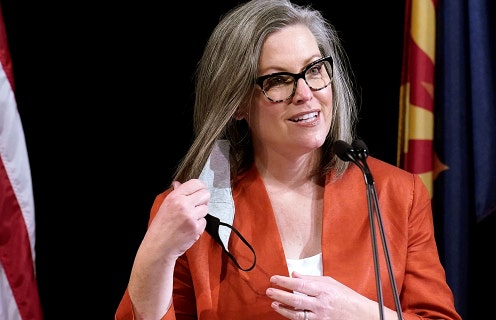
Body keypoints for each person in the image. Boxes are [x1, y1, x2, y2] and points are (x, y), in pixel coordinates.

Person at [115, 0, 461, 319]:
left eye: (314, 70)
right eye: (279, 80)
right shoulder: (193, 213)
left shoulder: (396, 193)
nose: (306, 94)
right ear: (237, 103)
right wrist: (155, 254)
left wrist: (362, 313)